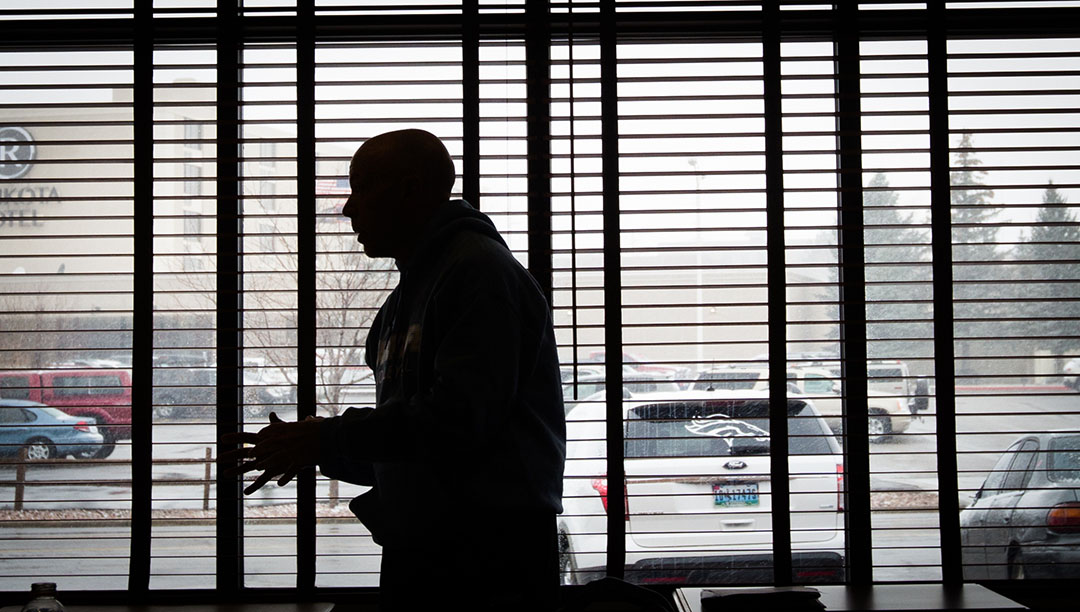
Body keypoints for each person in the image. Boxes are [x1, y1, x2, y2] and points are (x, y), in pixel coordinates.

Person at [222, 129, 567, 611]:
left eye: (360, 187)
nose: (348, 208)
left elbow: (460, 422)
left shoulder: (479, 274)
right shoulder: (402, 302)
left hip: (490, 556)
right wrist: (316, 448)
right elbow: (410, 447)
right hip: (427, 547)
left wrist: (329, 438)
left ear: (409, 189)